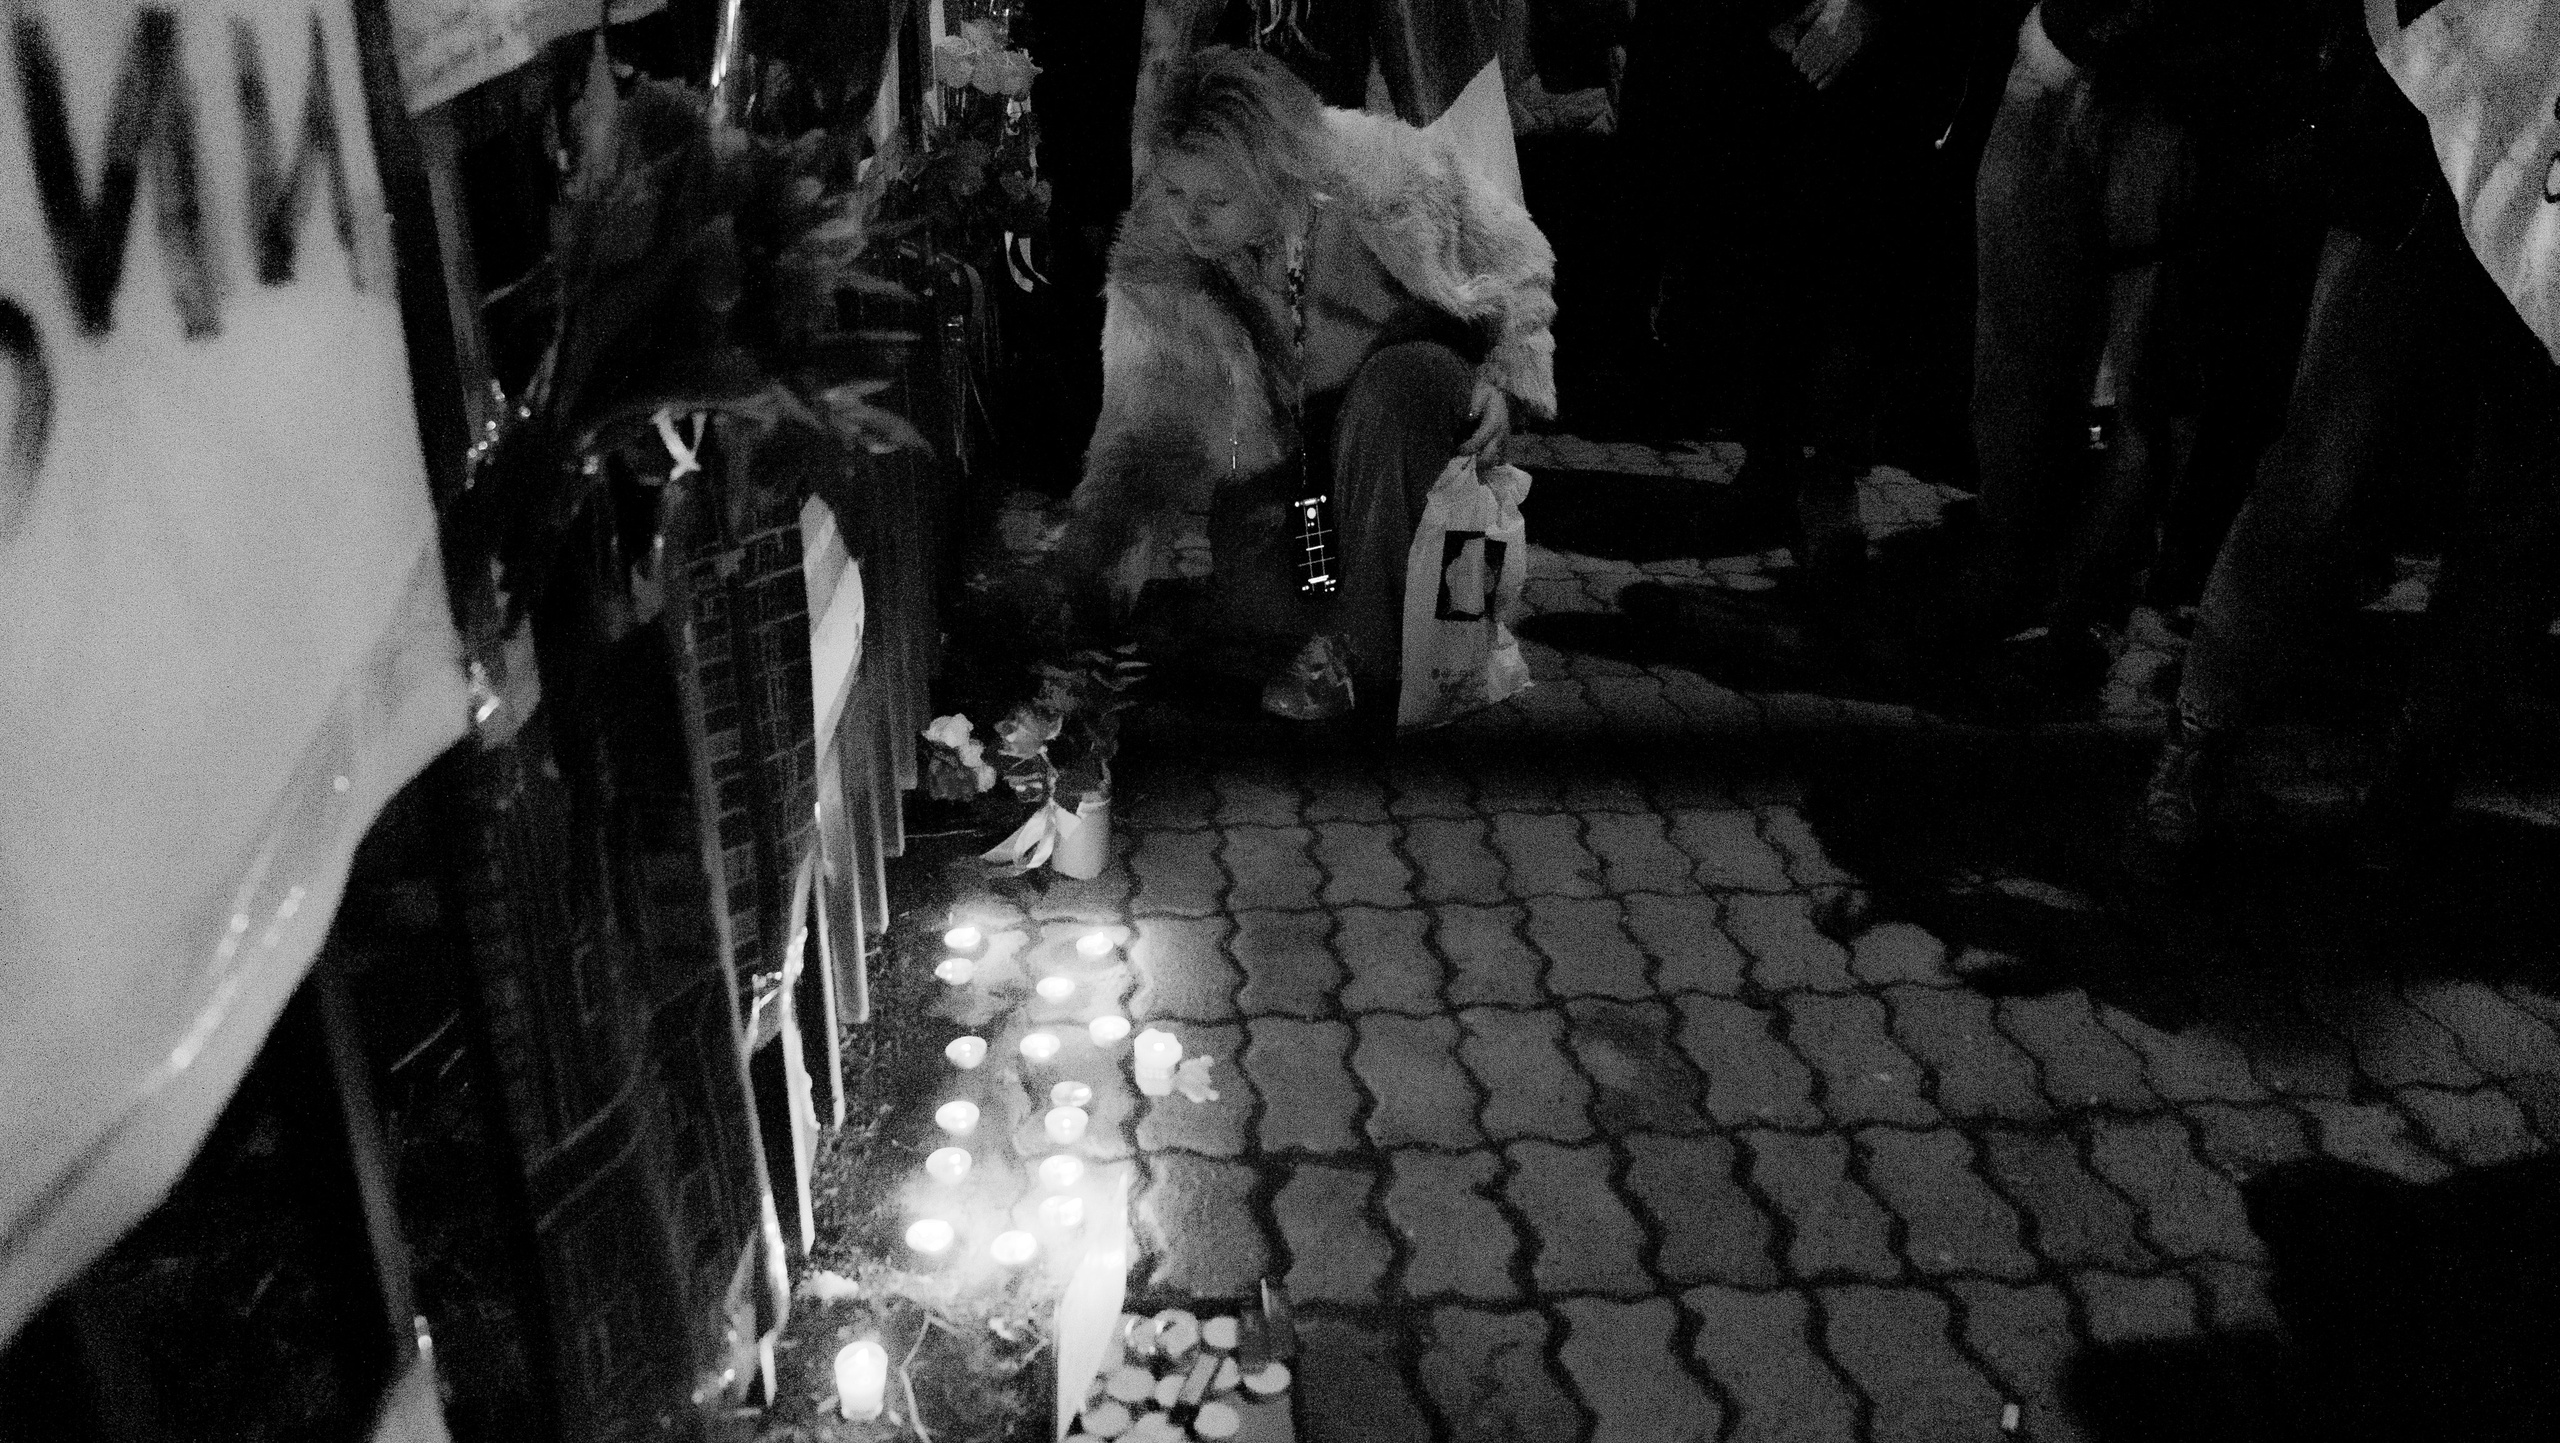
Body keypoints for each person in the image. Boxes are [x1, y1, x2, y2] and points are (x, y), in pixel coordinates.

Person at [1051, 45, 1559, 719]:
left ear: (1275, 173)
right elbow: (1135, 427)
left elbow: (1518, 254)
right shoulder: (1163, 254)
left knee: (1393, 396)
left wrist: (1505, 377)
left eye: (1216, 198)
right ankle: (1343, 620)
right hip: (1297, 440)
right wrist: (1088, 574)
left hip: (1410, 392)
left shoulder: (1385, 171)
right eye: (1174, 192)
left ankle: (1368, 661)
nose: (1188, 219)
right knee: (1252, 597)